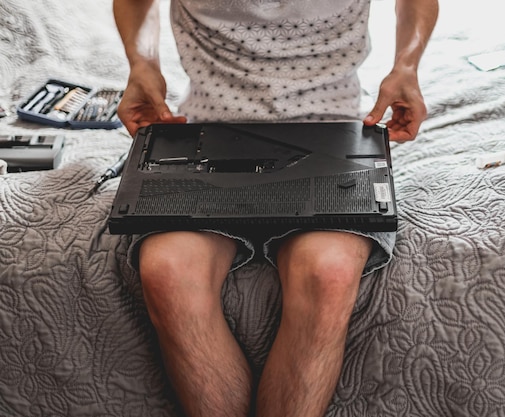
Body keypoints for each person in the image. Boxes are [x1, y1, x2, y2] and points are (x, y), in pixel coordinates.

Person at [112, 0, 438, 416]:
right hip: (209, 132)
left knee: (329, 273)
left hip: (330, 131)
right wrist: (142, 63)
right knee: (167, 272)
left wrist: (407, 66)